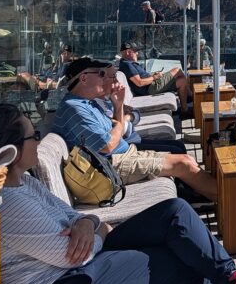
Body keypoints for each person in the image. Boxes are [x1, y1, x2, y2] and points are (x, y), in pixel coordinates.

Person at [0, 103, 236, 284]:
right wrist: (97, 229)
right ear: (10, 149)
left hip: (80, 263)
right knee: (184, 265)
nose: (39, 140)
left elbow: (72, 215)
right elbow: (72, 255)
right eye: (33, 135)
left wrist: (88, 223)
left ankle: (233, 281)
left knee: (175, 211)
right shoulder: (8, 203)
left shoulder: (24, 181)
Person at [54, 58, 217, 201]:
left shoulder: (88, 103)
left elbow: (116, 129)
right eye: (101, 74)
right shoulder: (73, 108)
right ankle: (230, 200)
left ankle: (222, 197)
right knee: (183, 164)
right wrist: (120, 122)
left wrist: (118, 108)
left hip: (123, 155)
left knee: (186, 159)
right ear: (83, 78)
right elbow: (108, 145)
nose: (104, 79)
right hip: (110, 166)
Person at [117, 41, 189, 109]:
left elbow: (141, 78)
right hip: (150, 88)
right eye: (135, 51)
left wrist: (152, 75)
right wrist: (154, 77)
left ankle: (184, 110)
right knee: (177, 70)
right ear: (128, 52)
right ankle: (190, 95)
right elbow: (139, 82)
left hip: (151, 85)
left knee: (182, 81)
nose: (137, 54)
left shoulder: (128, 63)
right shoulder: (127, 65)